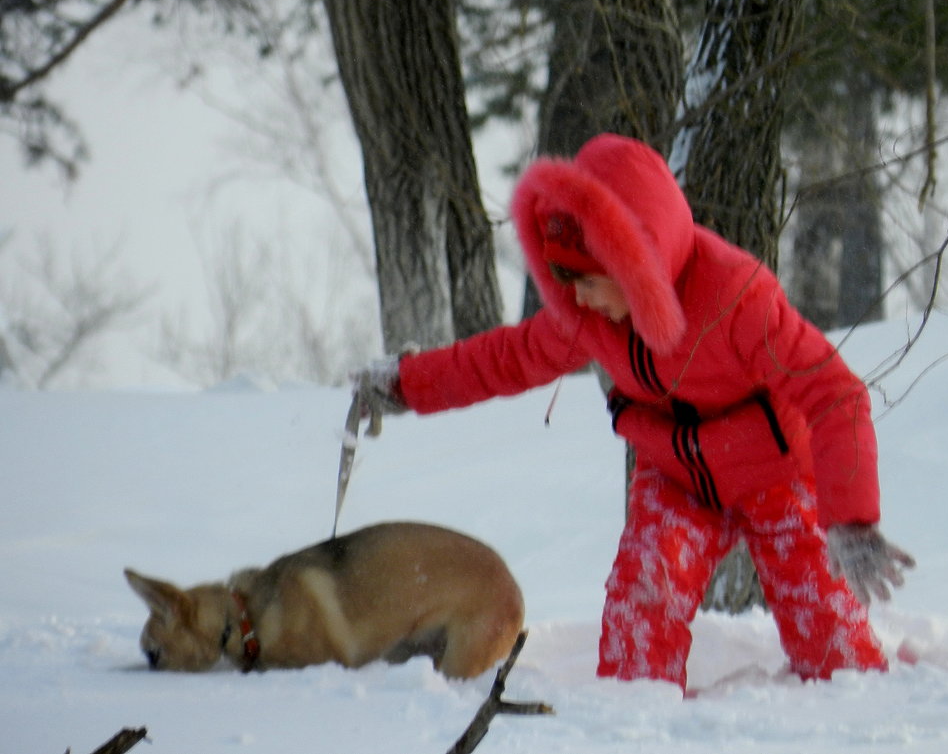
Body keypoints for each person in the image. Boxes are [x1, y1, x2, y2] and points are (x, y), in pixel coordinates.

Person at [347, 133, 914, 692]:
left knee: (831, 640)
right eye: (564, 281)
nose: (580, 299)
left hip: (776, 473)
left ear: (632, 263)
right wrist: (405, 384)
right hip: (675, 478)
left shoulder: (737, 298)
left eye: (588, 281)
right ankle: (632, 723)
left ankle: (862, 711)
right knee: (643, 599)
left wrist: (853, 521)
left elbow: (834, 393)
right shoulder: (589, 317)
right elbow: (504, 358)